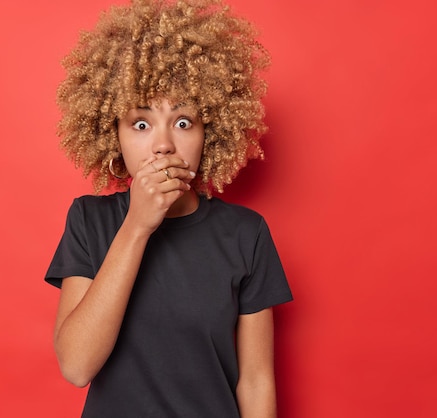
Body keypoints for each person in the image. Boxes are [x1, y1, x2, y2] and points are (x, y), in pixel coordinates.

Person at [45, 0, 293, 416]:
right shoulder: (90, 221)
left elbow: (256, 380)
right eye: (141, 124)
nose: (162, 144)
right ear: (114, 137)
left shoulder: (246, 234)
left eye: (183, 122)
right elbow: (75, 365)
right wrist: (137, 226)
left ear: (209, 132)